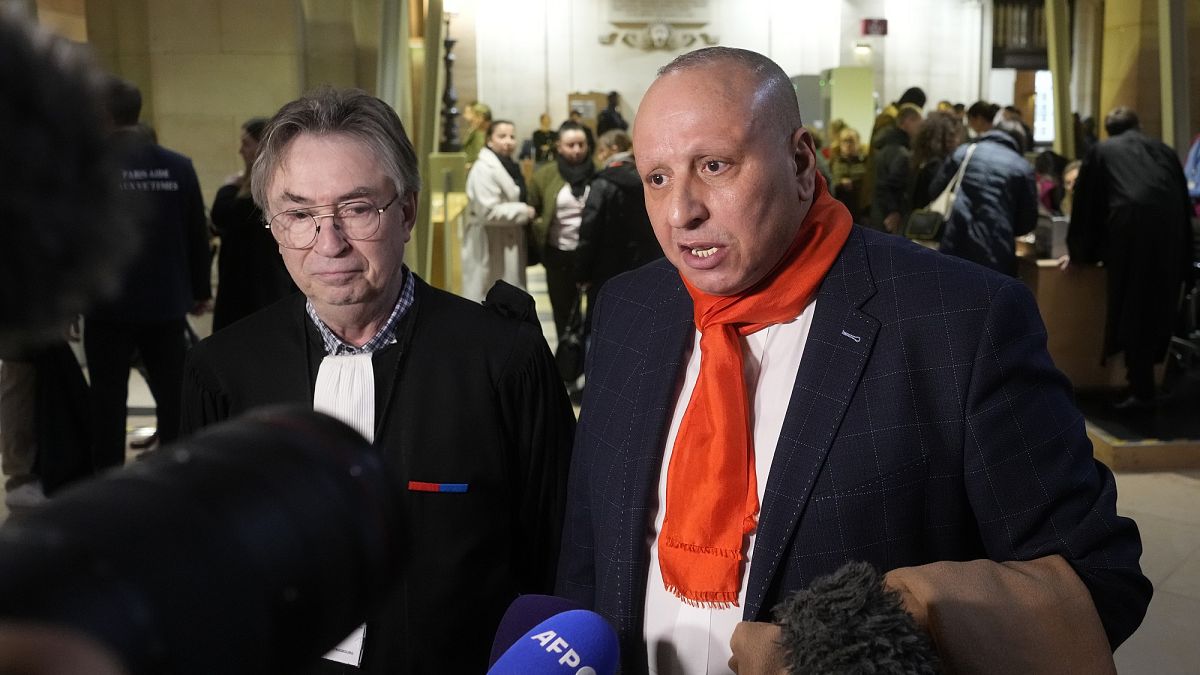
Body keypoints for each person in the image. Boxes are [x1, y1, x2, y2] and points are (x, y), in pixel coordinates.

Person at [556, 47, 1150, 674]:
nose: (682, 212)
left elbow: (1096, 580)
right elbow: (588, 547)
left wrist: (856, 645)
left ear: (801, 162)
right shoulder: (629, 310)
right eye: (657, 178)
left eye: (714, 165)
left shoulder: (959, 321)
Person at [179, 87, 574, 672]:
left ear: (408, 211)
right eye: (299, 215)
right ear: (272, 223)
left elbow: (558, 555)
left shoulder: (503, 361)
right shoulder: (223, 372)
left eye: (358, 208)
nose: (329, 242)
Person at [84, 76, 211, 471]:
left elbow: (74, 238)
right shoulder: (177, 167)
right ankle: (176, 471)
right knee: (172, 395)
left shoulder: (87, 168)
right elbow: (197, 234)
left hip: (107, 305)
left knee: (106, 399)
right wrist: (200, 289)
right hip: (165, 302)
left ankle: (107, 478)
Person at [1067, 106, 1194, 409]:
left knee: (1132, 307)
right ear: (1137, 126)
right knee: (1158, 307)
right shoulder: (1163, 149)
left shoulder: (1102, 151)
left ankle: (1141, 388)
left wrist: (1079, 252)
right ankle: (1148, 383)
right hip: (1171, 235)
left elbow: (1087, 205)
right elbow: (1182, 198)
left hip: (1130, 234)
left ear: (1108, 130)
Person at [210, 117, 296, 331]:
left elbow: (223, 214)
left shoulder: (263, 192)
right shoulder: (261, 188)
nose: (241, 150)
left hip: (260, 285)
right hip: (251, 282)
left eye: (246, 143)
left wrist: (227, 188)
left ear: (261, 147)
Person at [576, 129, 661, 330]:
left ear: (612, 149)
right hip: (648, 264)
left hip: (607, 270)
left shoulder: (602, 183)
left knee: (608, 326)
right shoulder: (649, 179)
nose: (599, 156)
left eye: (601, 151)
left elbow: (589, 230)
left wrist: (582, 271)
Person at [930, 118, 1037, 276]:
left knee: (952, 294)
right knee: (990, 297)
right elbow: (1027, 222)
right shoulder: (1022, 167)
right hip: (996, 250)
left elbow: (934, 190)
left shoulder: (963, 152)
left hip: (954, 241)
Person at [529, 120, 594, 342]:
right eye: (571, 145)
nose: (577, 150)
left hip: (592, 254)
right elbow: (534, 208)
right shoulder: (545, 176)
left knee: (597, 312)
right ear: (559, 146)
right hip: (559, 254)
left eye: (581, 144)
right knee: (563, 313)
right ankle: (568, 367)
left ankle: (592, 362)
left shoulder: (598, 172)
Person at [461, 119, 536, 301]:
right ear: (489, 140)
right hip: (490, 242)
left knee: (508, 297)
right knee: (489, 297)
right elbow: (488, 212)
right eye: (502, 136)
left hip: (505, 240)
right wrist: (524, 212)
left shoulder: (509, 165)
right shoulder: (484, 169)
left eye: (512, 136)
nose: (508, 141)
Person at [868, 103, 921, 233]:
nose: (920, 128)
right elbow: (890, 185)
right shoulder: (900, 151)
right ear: (909, 121)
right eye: (919, 123)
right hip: (889, 218)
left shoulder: (886, 145)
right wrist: (894, 211)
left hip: (879, 212)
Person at [909, 110, 962, 211]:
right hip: (933, 220)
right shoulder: (937, 165)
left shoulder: (922, 158)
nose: (957, 140)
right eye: (953, 136)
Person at [461, 101, 492, 167]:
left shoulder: (480, 133)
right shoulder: (474, 131)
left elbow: (479, 154)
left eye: (468, 113)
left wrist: (470, 165)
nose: (465, 116)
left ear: (480, 117)